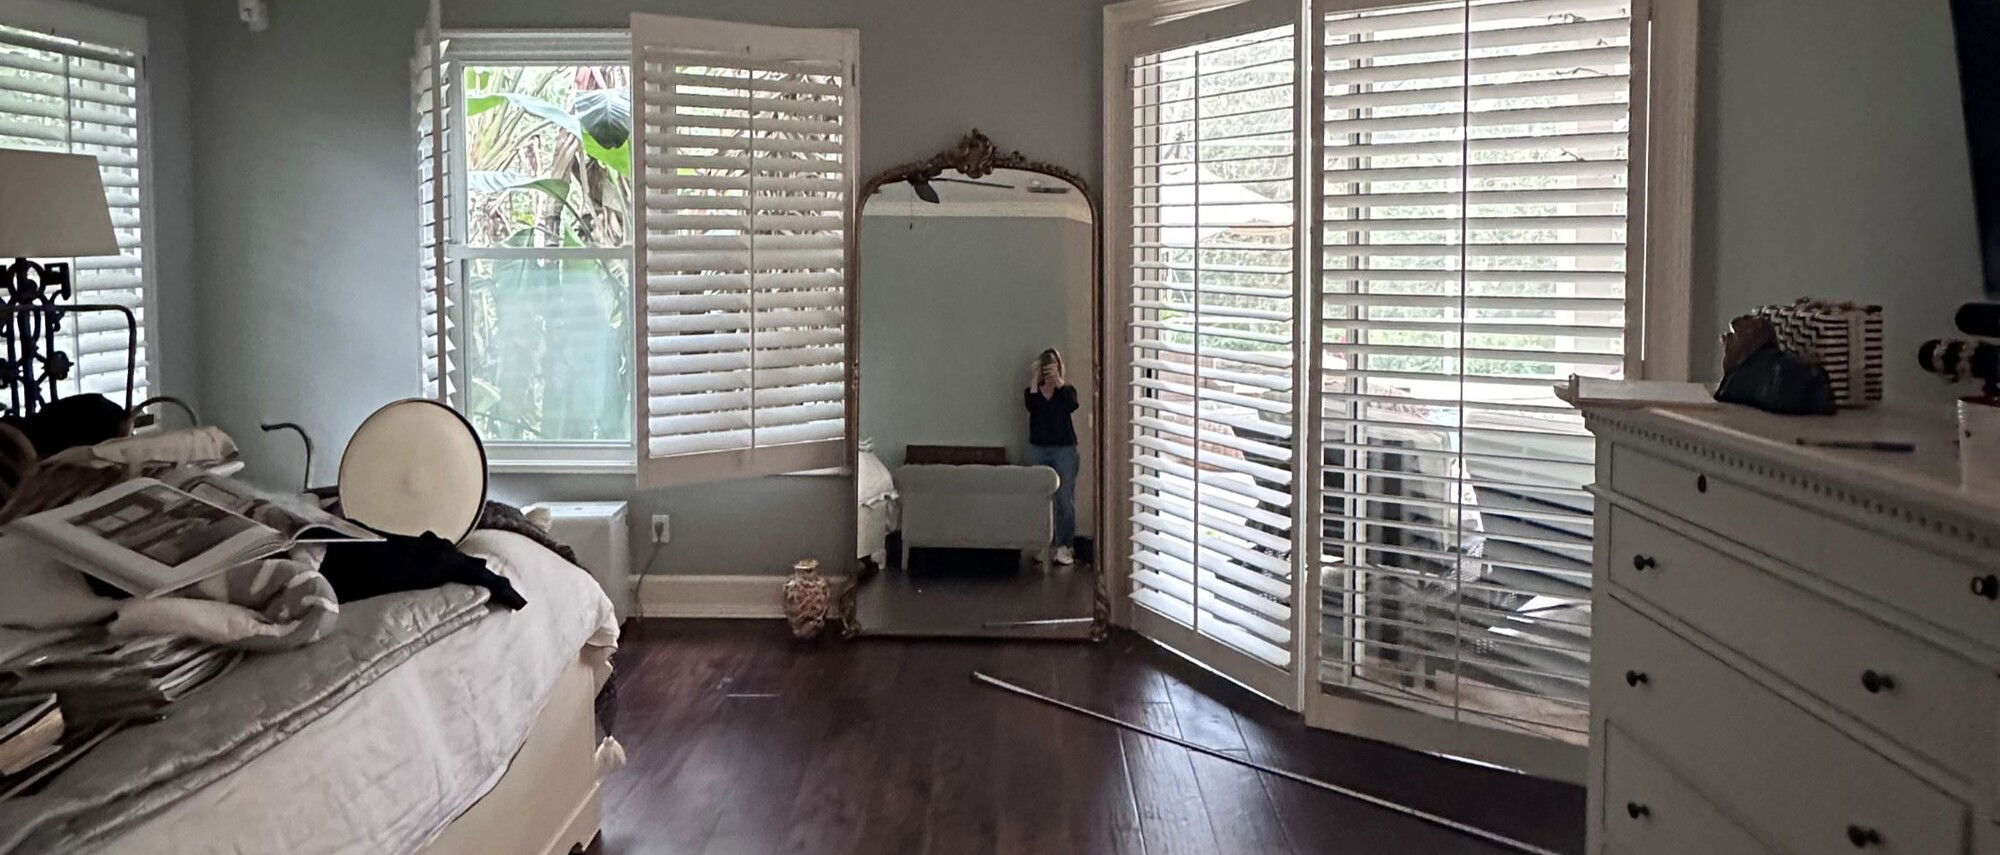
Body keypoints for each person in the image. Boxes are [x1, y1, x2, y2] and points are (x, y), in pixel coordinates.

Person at [1024, 348, 1079, 565]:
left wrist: (1058, 382)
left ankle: (1065, 545)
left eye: (1052, 366)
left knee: (1064, 498)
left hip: (1064, 449)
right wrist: (1035, 379)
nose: (1048, 371)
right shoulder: (1033, 393)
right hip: (1039, 448)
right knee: (1038, 498)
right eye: (1045, 367)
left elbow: (1072, 404)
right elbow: (1030, 405)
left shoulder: (1067, 391)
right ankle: (1041, 544)